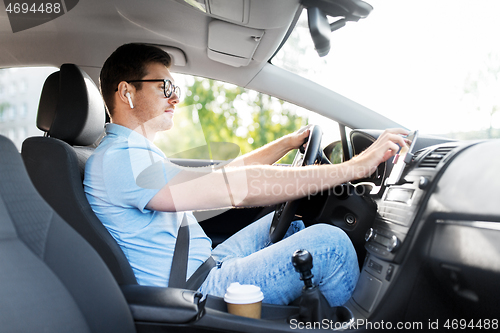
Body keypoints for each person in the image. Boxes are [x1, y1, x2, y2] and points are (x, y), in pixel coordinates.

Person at [84, 43, 408, 306]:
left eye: (176, 87)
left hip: (202, 263)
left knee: (290, 223)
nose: (175, 97)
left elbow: (220, 176)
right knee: (330, 244)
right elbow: (234, 187)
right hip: (194, 288)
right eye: (165, 85)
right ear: (126, 92)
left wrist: (286, 144)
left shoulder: (130, 154)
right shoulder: (120, 160)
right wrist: (356, 167)